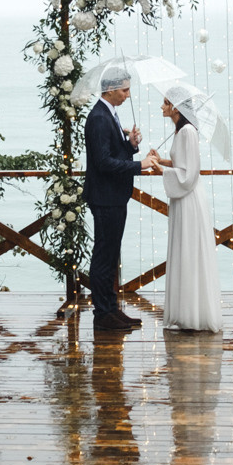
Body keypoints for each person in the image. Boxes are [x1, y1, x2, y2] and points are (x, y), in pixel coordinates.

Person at [82, 67, 159, 332]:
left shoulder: (110, 115)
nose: (128, 95)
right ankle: (103, 314)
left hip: (114, 196)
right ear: (110, 90)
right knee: (104, 255)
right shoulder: (99, 118)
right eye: (125, 90)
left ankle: (112, 309)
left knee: (111, 253)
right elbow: (103, 163)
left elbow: (114, 154)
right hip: (105, 197)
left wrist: (131, 144)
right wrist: (140, 165)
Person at [156, 88, 222, 333]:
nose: (161, 107)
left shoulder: (187, 131)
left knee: (189, 250)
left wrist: (158, 171)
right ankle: (185, 312)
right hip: (182, 197)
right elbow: (181, 163)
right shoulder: (180, 131)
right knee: (184, 250)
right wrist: (162, 161)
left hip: (188, 197)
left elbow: (189, 174)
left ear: (176, 107)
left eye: (165, 103)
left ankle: (193, 314)